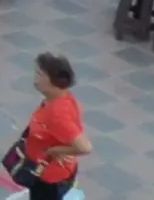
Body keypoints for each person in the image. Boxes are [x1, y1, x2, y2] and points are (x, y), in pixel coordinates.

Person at [20, 54, 91, 199]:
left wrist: (55, 150)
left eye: (40, 75)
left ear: (54, 81)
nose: (35, 79)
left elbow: (85, 147)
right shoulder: (61, 98)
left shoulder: (57, 115)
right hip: (48, 171)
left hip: (50, 179)